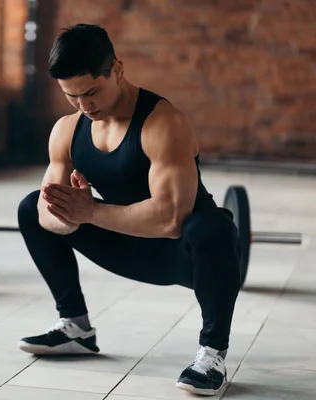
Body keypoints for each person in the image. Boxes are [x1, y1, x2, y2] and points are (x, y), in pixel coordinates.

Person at [16, 24, 241, 396]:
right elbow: (44, 212)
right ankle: (76, 328)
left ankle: (212, 354)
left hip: (183, 255)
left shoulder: (164, 124)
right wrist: (66, 212)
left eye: (91, 92)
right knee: (28, 206)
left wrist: (87, 213)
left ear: (117, 69)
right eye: (72, 96)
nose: (84, 105)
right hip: (124, 242)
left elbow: (171, 220)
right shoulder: (67, 130)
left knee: (214, 228)